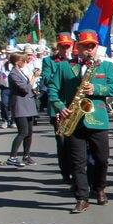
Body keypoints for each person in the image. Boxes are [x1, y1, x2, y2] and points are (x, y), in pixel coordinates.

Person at [49, 30, 113, 214]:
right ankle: (82, 198)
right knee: (78, 162)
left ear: (96, 48)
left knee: (102, 159)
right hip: (74, 119)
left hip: (98, 119)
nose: (89, 50)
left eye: (92, 46)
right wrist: (59, 107)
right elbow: (53, 90)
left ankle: (99, 187)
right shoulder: (64, 67)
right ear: (77, 47)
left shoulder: (105, 66)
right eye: (85, 46)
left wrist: (96, 88)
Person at [40, 33, 76, 184]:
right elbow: (46, 79)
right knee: (62, 141)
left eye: (68, 46)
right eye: (63, 47)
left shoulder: (76, 61)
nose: (66, 49)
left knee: (77, 140)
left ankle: (77, 171)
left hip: (74, 104)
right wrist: (60, 71)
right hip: (58, 106)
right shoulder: (49, 61)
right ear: (58, 48)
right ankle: (65, 172)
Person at [5, 53, 38, 167]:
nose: (24, 62)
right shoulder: (13, 74)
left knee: (29, 133)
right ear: (16, 62)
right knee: (23, 132)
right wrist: (34, 77)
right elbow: (24, 88)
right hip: (20, 106)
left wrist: (34, 90)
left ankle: (26, 156)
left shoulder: (21, 72)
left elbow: (27, 86)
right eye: (22, 60)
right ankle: (12, 157)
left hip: (28, 104)